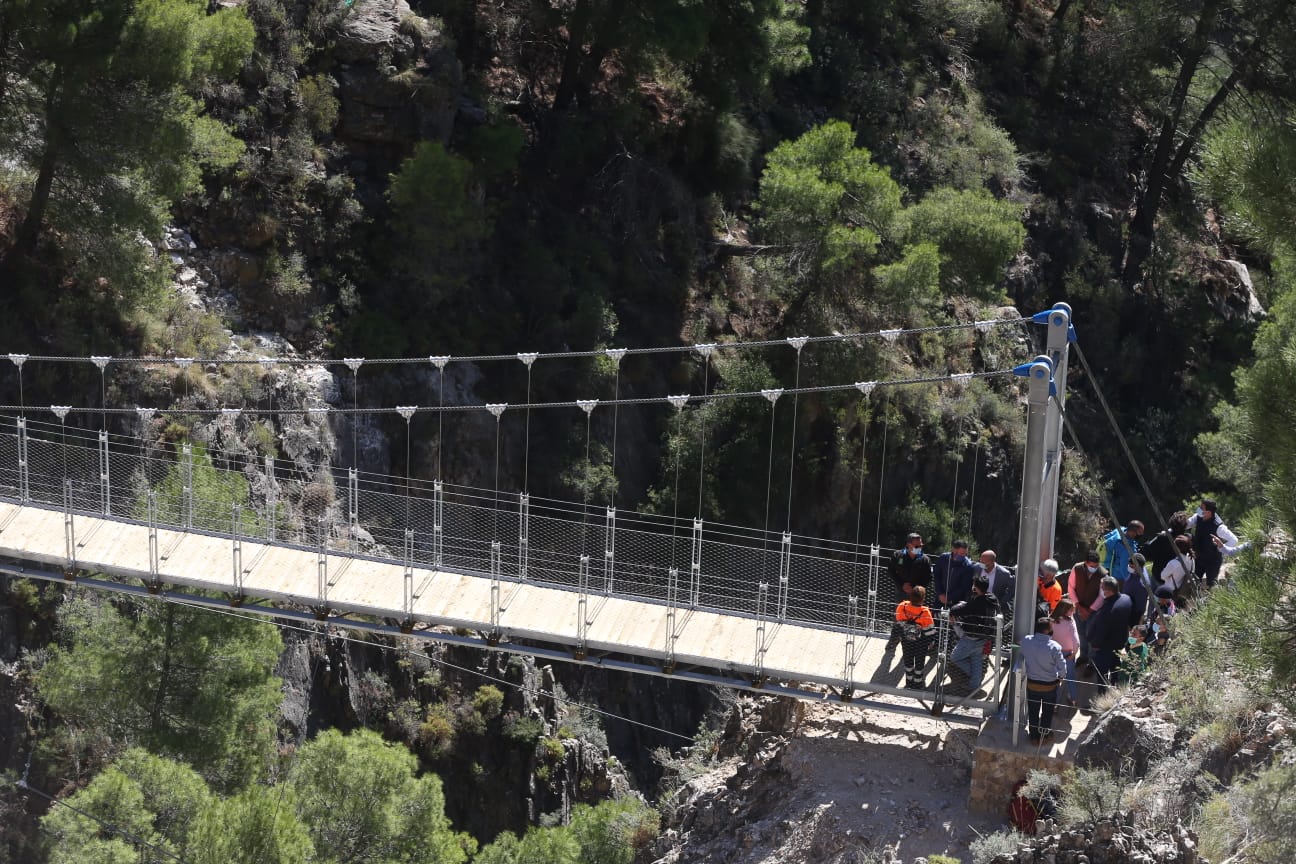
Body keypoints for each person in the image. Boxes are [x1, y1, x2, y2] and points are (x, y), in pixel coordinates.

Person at [948, 574, 1001, 695]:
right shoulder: (992, 598)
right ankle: (974, 686)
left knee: (954, 657)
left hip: (971, 637)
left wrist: (957, 607)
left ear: (975, 587)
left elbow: (958, 610)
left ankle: (974, 676)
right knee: (976, 659)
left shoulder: (977, 601)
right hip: (984, 637)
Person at [1018, 617, 1067, 744]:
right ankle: (1045, 734)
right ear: (1047, 630)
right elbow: (1062, 667)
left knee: (1033, 711)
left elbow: (1021, 646)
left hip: (1032, 684)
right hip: (1050, 686)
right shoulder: (1055, 647)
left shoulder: (1026, 641)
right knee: (1047, 711)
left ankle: (1034, 737)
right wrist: (1060, 677)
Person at [886, 533, 932, 649]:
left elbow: (928, 578)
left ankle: (912, 644)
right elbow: (891, 571)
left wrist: (916, 589)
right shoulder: (898, 555)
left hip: (917, 596)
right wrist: (902, 585)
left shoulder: (925, 560)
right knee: (898, 617)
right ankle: (894, 640)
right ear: (908, 545)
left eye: (920, 546)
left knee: (916, 619)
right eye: (916, 546)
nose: (919, 548)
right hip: (901, 592)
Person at [1086, 576, 1132, 687]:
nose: (1101, 590)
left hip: (1105, 647)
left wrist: (1095, 644)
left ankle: (1103, 695)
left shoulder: (1108, 610)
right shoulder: (1126, 599)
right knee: (1115, 667)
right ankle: (1115, 686)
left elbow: (1101, 631)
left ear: (1108, 591)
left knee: (1102, 674)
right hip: (1119, 643)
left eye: (1102, 588)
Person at [1187, 500, 1238, 589]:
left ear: (1209, 512)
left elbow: (1234, 539)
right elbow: (1187, 524)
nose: (1199, 509)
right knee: (1194, 583)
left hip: (1213, 561)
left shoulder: (1219, 527)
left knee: (1212, 585)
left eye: (1201, 508)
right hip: (1199, 558)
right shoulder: (1198, 517)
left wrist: (1221, 548)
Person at [1067, 551, 1106, 667]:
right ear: (1086, 563)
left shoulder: (1103, 574)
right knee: (1081, 633)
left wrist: (1089, 610)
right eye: (1091, 566)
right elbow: (1071, 588)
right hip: (1078, 609)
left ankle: (1091, 660)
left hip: (1093, 612)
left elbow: (1102, 595)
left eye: (1096, 566)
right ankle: (1083, 656)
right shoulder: (1077, 569)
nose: (1093, 568)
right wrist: (1079, 607)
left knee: (1091, 636)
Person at [895, 585, 936, 689]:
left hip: (906, 639)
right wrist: (931, 642)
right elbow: (929, 629)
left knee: (908, 660)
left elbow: (898, 622)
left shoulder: (902, 606)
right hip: (921, 642)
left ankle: (909, 682)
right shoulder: (925, 611)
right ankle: (918, 683)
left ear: (910, 595)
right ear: (923, 598)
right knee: (919, 661)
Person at [1142, 511, 1189, 585]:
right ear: (1186, 526)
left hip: (1159, 576)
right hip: (1178, 580)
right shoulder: (1187, 540)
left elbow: (1146, 551)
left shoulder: (1162, 537)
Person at [1050, 599, 1081, 708]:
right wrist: (1075, 652)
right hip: (1068, 654)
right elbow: (1076, 641)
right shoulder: (1070, 622)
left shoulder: (1052, 620)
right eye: (1072, 610)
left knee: (1056, 678)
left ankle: (1054, 704)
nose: (1073, 613)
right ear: (1065, 610)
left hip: (1054, 652)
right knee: (1070, 676)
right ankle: (1073, 699)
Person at [932, 539, 976, 611]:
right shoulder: (943, 558)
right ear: (954, 550)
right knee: (936, 618)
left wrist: (948, 597)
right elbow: (937, 576)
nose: (963, 556)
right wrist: (940, 593)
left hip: (956, 602)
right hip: (939, 598)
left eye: (965, 554)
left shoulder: (968, 566)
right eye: (961, 554)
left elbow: (965, 586)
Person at [1159, 536, 1196, 604]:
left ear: (1178, 548)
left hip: (1173, 593)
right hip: (1185, 590)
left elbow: (1162, 576)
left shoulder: (1173, 563)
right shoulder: (1191, 559)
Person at [1123, 552, 1152, 627]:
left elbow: (1140, 608)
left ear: (1137, 566)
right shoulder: (1139, 571)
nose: (1129, 567)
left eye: (1131, 566)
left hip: (1132, 615)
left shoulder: (1141, 585)